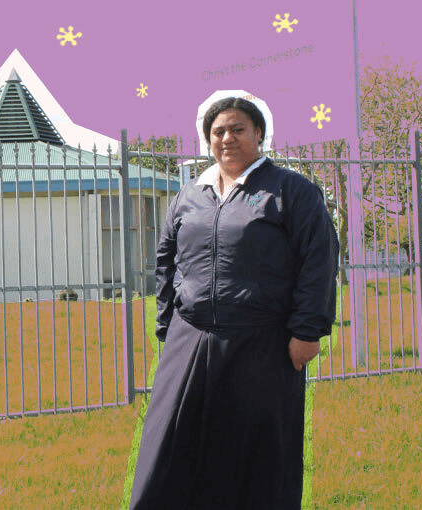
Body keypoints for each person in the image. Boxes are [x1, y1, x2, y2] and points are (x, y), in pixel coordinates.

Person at [129, 97, 339, 509]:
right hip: (189, 340)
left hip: (262, 343)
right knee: (169, 449)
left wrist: (306, 330)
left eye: (238, 129)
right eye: (218, 131)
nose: (228, 138)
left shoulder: (290, 191)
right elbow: (167, 260)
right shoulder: (191, 194)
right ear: (208, 140)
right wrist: (167, 326)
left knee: (256, 456)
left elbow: (318, 259)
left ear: (259, 134)